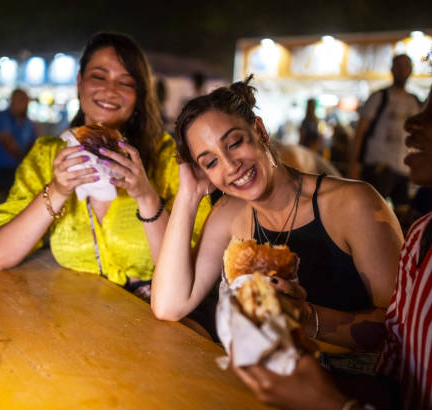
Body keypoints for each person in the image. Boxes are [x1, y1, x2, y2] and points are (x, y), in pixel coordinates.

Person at [232, 0, 432, 408]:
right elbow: (398, 381)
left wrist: (329, 403)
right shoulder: (429, 239)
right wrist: (303, 355)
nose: (413, 123)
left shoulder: (361, 204)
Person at [151, 76, 403, 364]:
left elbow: (402, 327)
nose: (230, 166)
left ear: (260, 130)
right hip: (260, 373)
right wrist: (189, 194)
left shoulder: (354, 203)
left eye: (234, 143)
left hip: (346, 377)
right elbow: (168, 306)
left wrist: (306, 317)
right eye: (210, 162)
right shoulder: (230, 213)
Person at [0, 32, 210, 300]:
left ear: (139, 94)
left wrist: (145, 195)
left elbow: (192, 268)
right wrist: (57, 190)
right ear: (79, 82)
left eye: (125, 82)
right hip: (77, 313)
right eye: (99, 77)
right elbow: (0, 257)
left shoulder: (170, 157)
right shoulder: (47, 155)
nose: (110, 90)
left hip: (153, 313)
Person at [348, 54, 421, 208]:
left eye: (406, 66)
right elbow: (360, 132)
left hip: (405, 170)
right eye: (398, 66)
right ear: (392, 69)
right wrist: (354, 164)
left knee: (403, 214)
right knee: (372, 212)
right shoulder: (379, 97)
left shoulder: (414, 102)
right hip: (378, 167)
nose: (402, 70)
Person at [0, 89, 37, 191]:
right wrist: (26, 162)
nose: (26, 105)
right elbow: (8, 144)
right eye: (22, 101)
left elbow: (33, 145)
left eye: (26, 102)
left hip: (17, 169)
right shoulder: (1, 117)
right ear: (12, 101)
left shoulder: (28, 122)